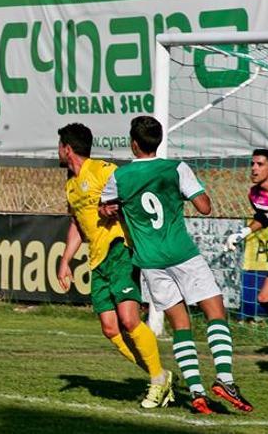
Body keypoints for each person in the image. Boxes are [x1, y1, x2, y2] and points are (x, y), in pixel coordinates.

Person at [100, 116, 254, 414]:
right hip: (182, 254)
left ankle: (196, 392)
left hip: (150, 262)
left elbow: (105, 209)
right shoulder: (176, 168)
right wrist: (182, 193)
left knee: (180, 324)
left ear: (133, 143)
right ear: (157, 141)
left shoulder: (119, 177)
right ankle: (224, 379)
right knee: (215, 310)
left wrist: (112, 209)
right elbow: (205, 207)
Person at [56, 123, 173, 409]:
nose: (57, 150)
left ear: (67, 149)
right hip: (97, 260)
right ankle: (159, 376)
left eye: (59, 146)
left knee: (130, 319)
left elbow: (129, 192)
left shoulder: (102, 170)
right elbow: (77, 223)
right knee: (110, 328)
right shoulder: (71, 186)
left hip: (119, 248)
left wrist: (114, 206)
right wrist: (65, 260)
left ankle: (158, 381)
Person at [224, 149, 268, 325]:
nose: (254, 168)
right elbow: (264, 217)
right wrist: (242, 233)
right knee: (265, 297)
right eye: (252, 164)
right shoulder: (254, 195)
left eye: (260, 164)